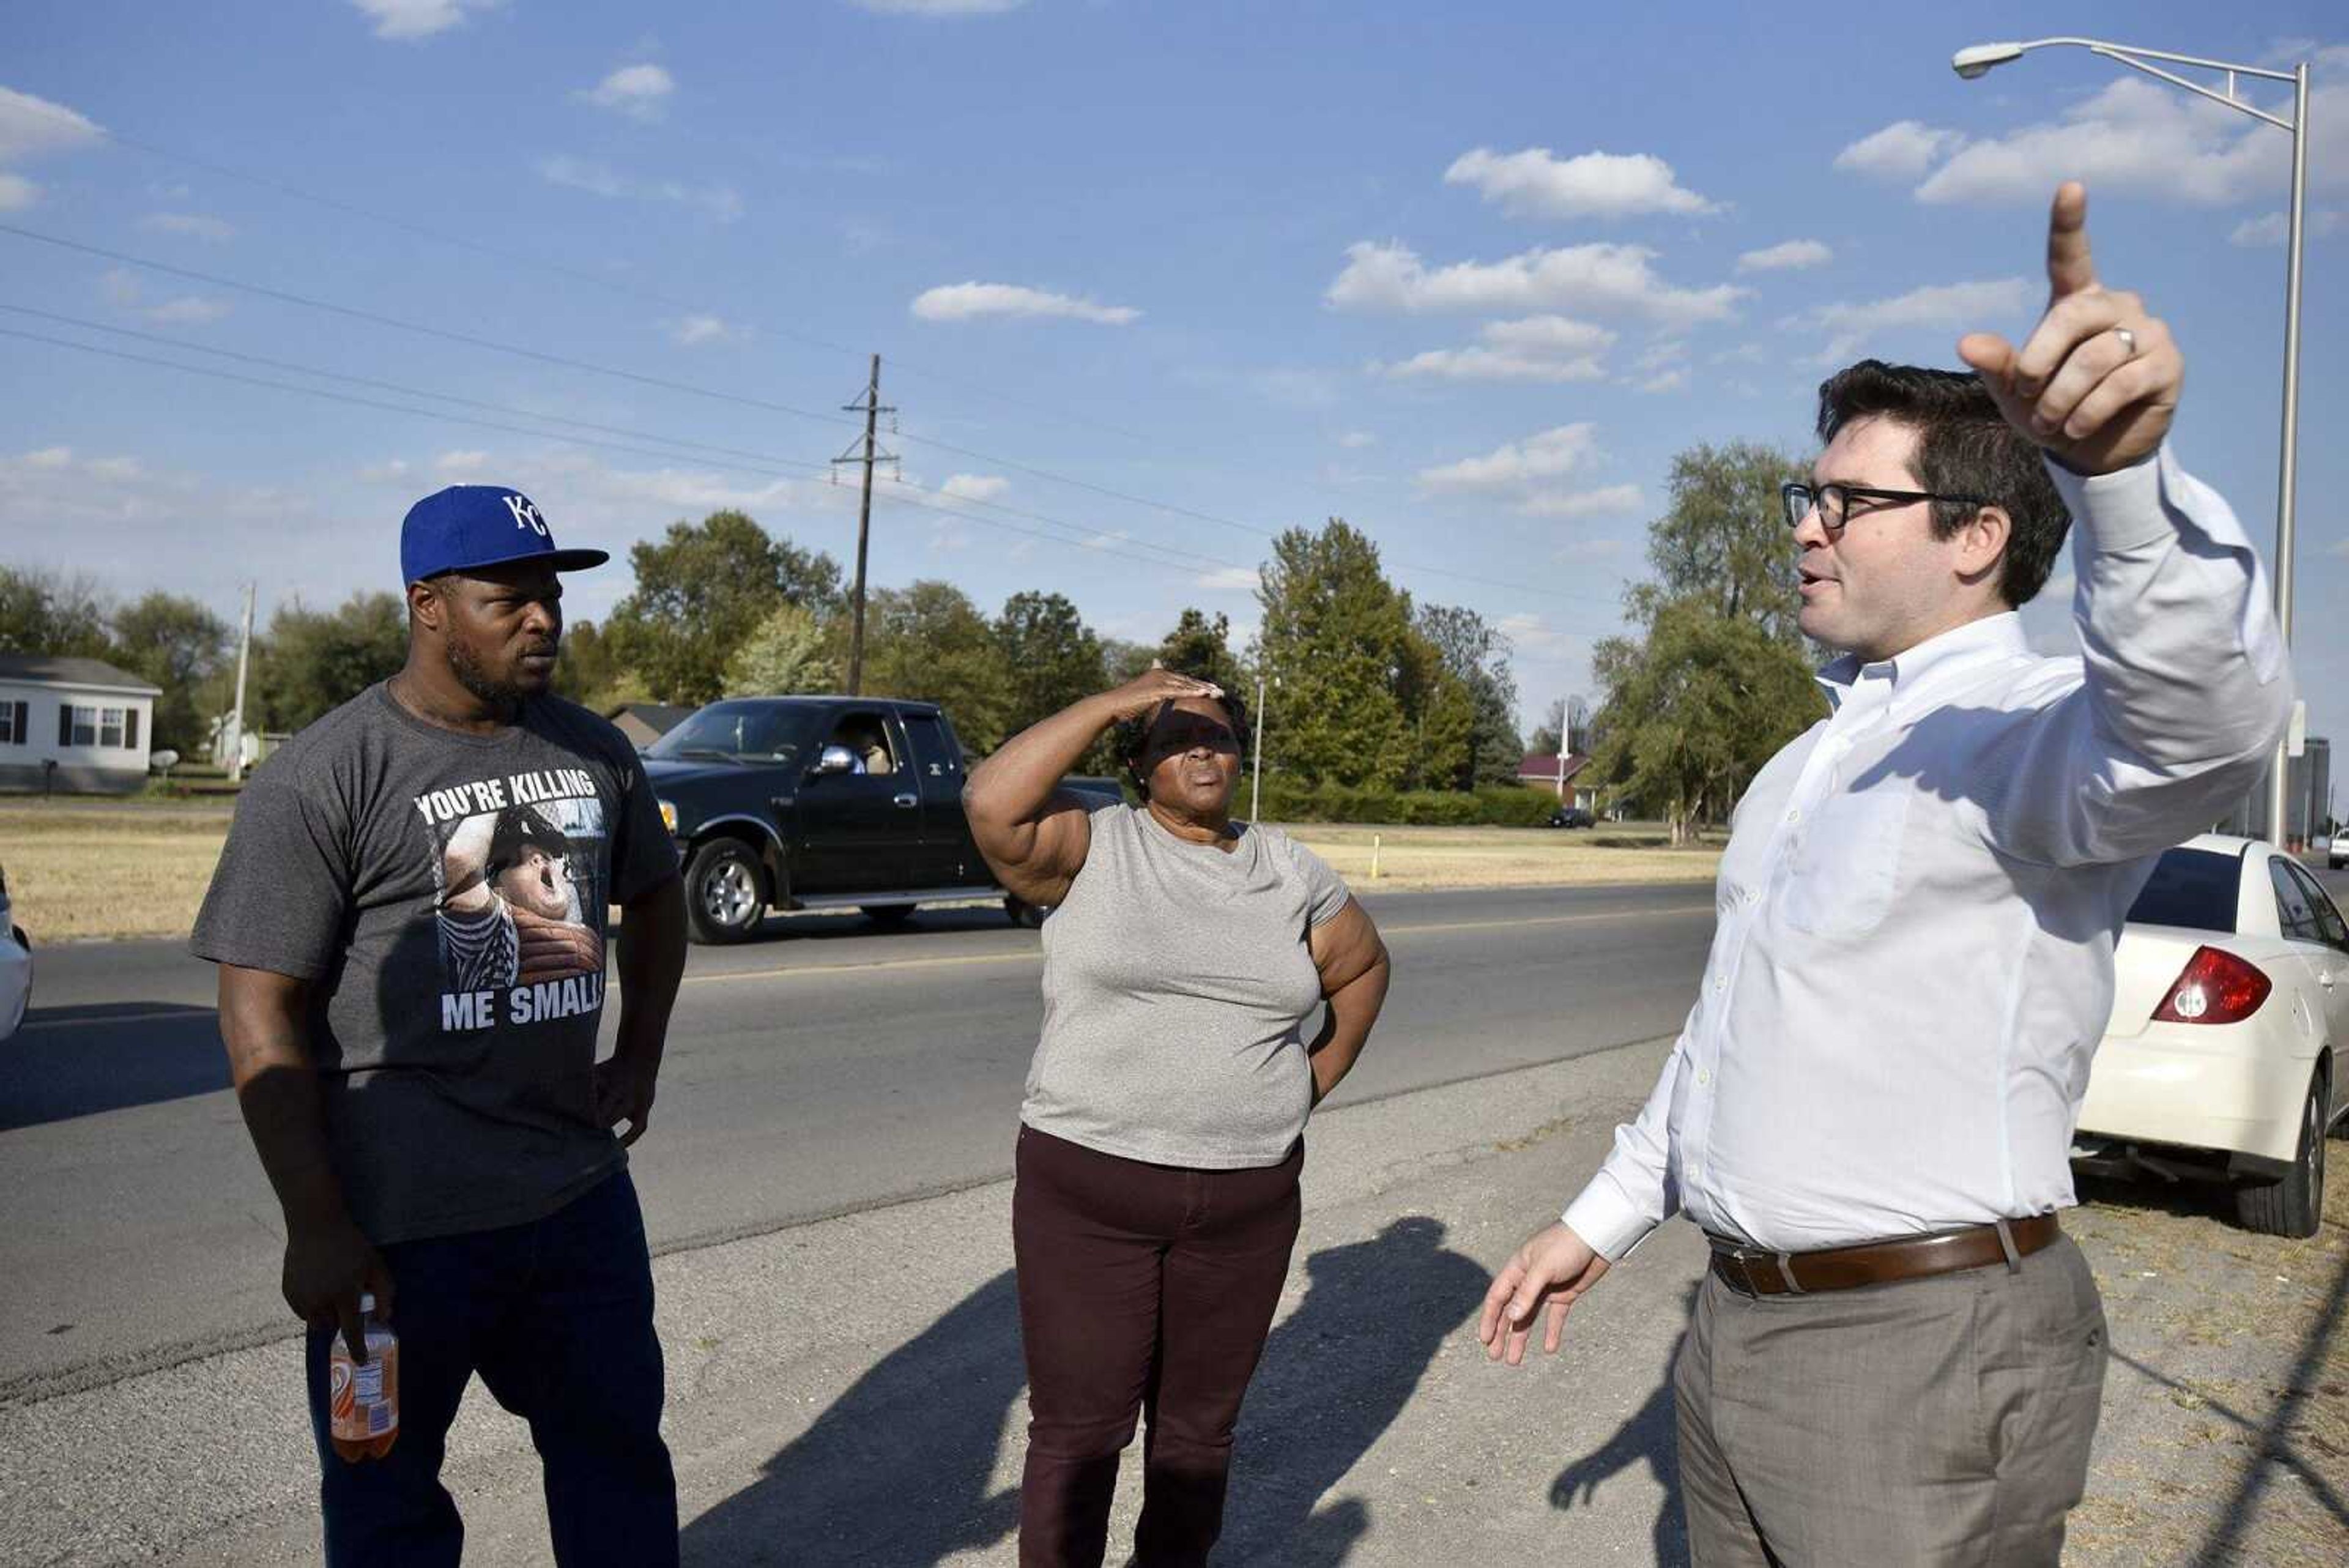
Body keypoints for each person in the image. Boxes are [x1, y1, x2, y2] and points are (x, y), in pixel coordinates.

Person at [1479, 182, 2293, 1566]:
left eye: (1850, 502)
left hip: (1925, 1356)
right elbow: (1734, 1032)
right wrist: (1602, 1217)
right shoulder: (1808, 766)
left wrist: (2125, 491)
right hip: (1735, 1334)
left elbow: (2205, 727)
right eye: (1811, 494)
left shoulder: (2026, 736)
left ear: (1977, 537)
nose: (1807, 527)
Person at [193, 485, 690, 1568]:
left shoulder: (596, 749)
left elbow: (658, 896)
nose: (544, 620)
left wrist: (639, 1055)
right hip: (401, 1233)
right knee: (388, 1515)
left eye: (551, 597)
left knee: (617, 1475)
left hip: (576, 1203)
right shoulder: (325, 775)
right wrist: (318, 1225)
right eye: (509, 598)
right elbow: (258, 1006)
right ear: (428, 604)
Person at [963, 666, 1393, 1567]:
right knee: (1080, 1435)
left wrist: (1307, 1083)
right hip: (1089, 1195)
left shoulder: (1287, 869)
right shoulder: (1091, 846)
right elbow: (990, 803)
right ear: (1136, 759)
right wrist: (1111, 700)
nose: (1203, 748)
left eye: (1220, 736)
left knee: (1197, 1441)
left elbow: (1361, 971)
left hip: (1246, 1206)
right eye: (1173, 737)